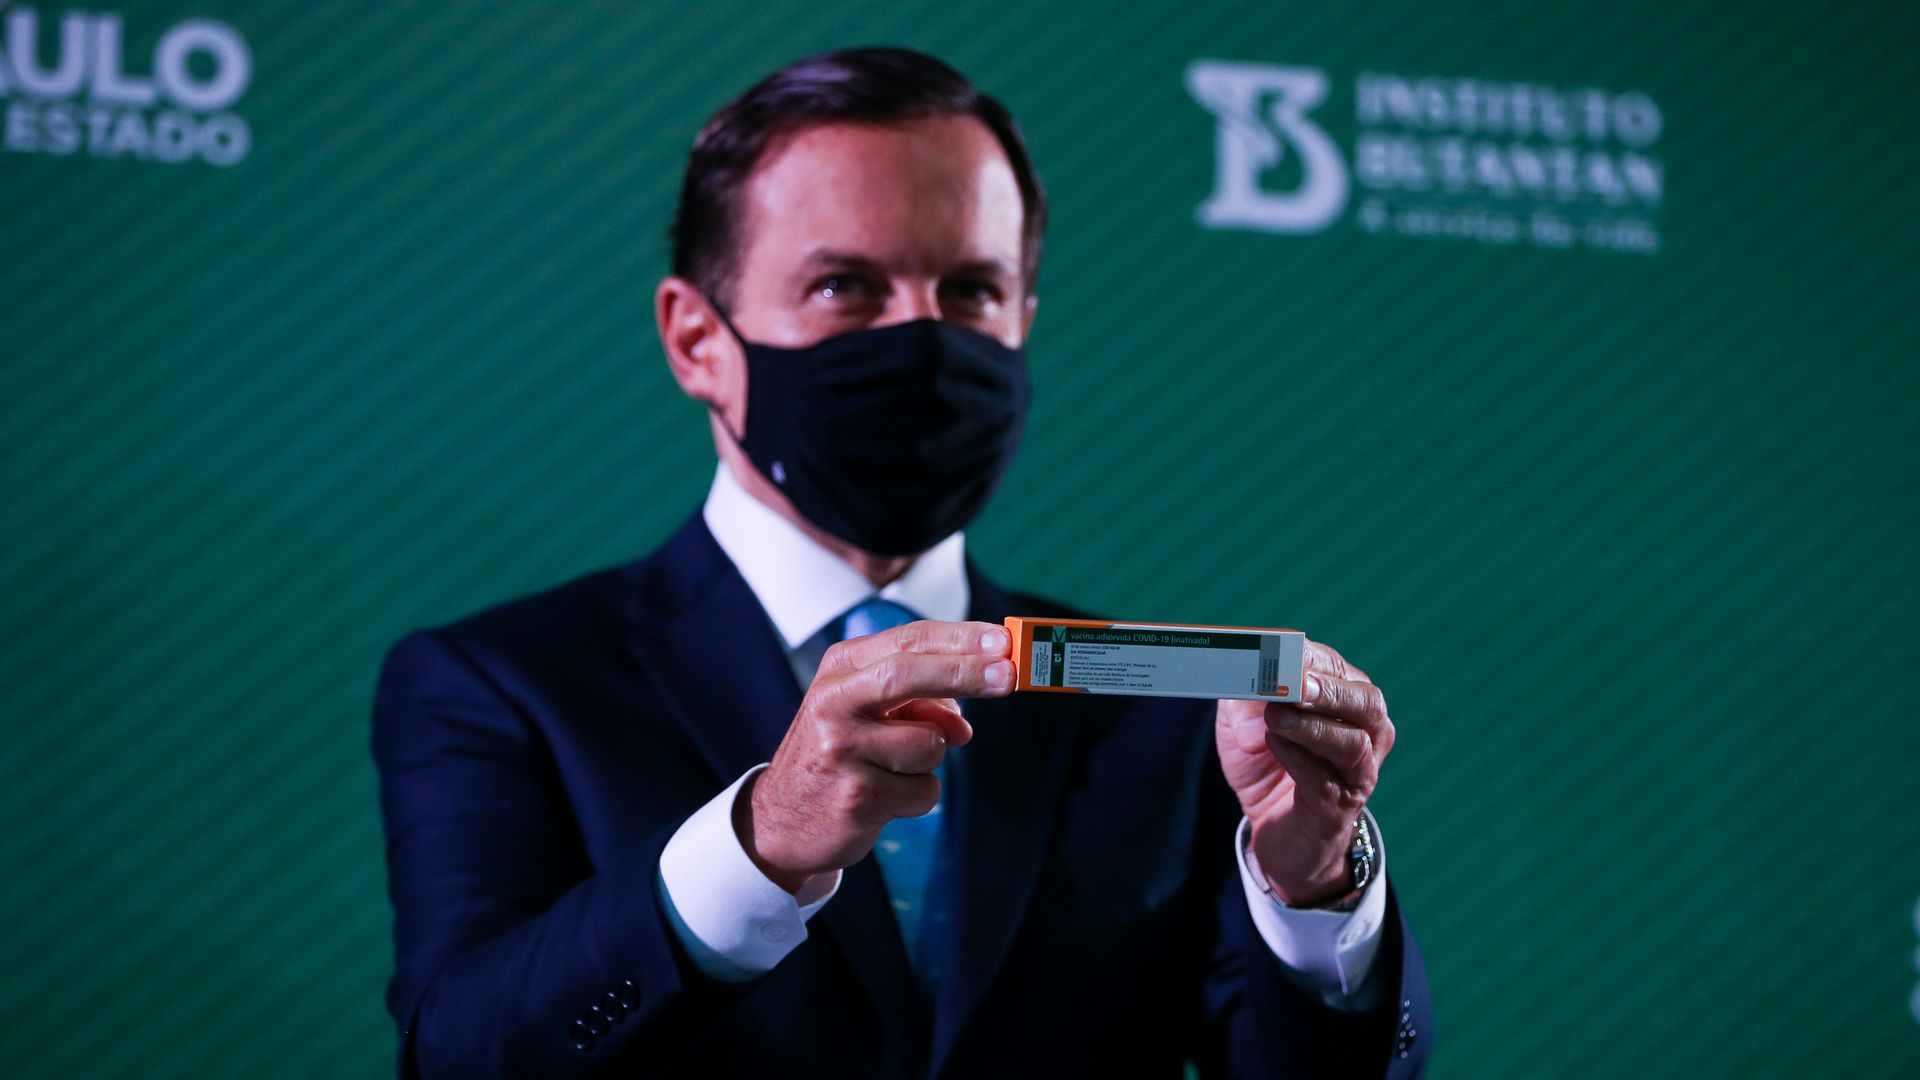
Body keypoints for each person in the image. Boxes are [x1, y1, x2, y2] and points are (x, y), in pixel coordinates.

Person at [373, 46, 1430, 1078]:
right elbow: (462, 1050)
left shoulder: (1161, 713)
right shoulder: (499, 686)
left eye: (972, 290)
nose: (922, 342)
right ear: (697, 340)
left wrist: (1316, 887)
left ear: (1024, 317)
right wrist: (758, 848)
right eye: (845, 287)